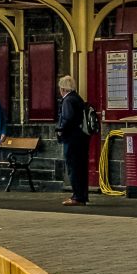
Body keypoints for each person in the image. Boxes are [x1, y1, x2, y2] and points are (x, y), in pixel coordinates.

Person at [54, 73, 98, 207]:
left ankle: (77, 197)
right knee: (81, 168)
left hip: (72, 138)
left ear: (63, 89)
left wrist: (60, 130)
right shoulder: (78, 98)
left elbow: (67, 118)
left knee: (73, 167)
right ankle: (82, 195)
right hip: (82, 138)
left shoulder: (67, 100)